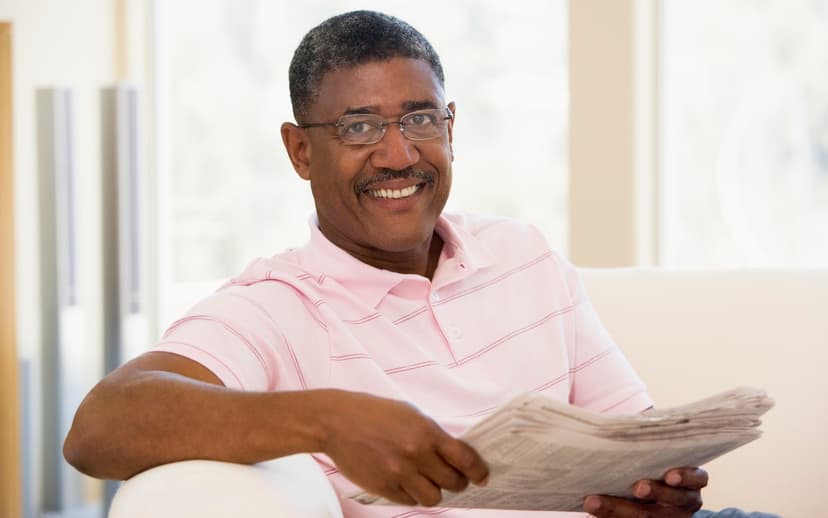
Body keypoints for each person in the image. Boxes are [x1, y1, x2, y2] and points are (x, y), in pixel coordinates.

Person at [65, 10, 715, 518]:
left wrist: (660, 495)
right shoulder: (276, 303)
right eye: (359, 127)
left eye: (420, 119)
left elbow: (637, 441)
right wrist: (329, 419)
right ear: (299, 151)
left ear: (452, 127)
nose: (399, 155)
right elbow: (100, 426)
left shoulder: (525, 255)